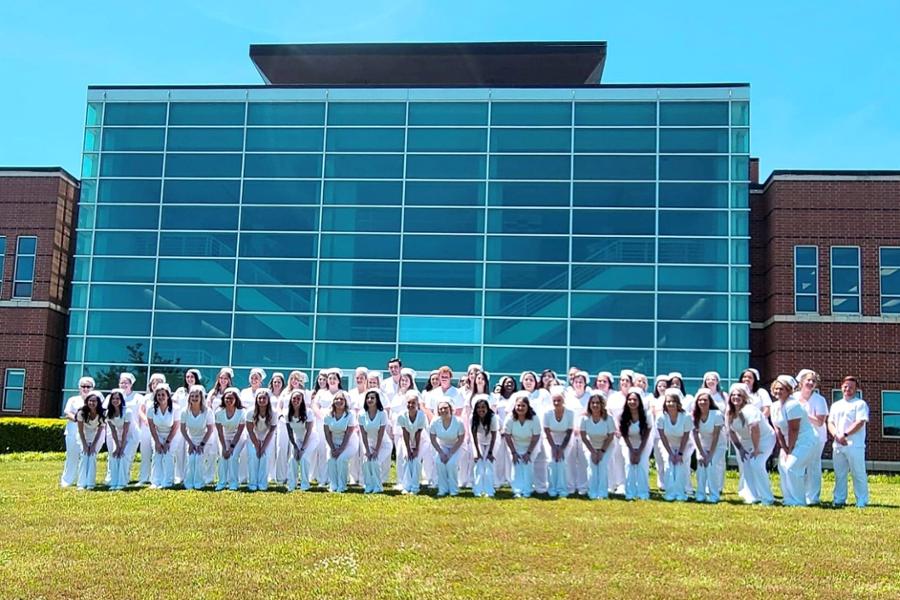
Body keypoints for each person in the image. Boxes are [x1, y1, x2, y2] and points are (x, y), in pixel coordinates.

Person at [770, 375, 819, 506]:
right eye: (776, 388)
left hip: (806, 441)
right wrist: (784, 448)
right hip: (788, 442)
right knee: (783, 467)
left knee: (792, 467)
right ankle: (788, 499)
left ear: (789, 390)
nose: (778, 391)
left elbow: (794, 429)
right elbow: (777, 430)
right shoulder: (774, 406)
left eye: (782, 389)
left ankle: (798, 501)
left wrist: (790, 449)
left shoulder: (792, 405)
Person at [726, 383, 775, 505]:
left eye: (739, 395)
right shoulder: (729, 413)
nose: (736, 397)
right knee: (747, 466)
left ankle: (767, 498)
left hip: (764, 439)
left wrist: (756, 449)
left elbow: (755, 430)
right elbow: (731, 432)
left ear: (744, 397)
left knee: (757, 464)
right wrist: (740, 449)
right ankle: (753, 496)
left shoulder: (750, 410)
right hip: (746, 441)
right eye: (733, 395)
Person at [828, 376, 869, 508]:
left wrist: (845, 434)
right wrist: (836, 435)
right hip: (838, 445)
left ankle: (861, 500)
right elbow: (830, 422)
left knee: (858, 473)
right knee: (840, 473)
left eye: (851, 387)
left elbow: (860, 422)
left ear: (856, 389)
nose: (848, 389)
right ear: (841, 387)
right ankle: (839, 499)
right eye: (845, 386)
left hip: (854, 445)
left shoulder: (860, 404)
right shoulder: (836, 405)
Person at [793, 369, 829, 505]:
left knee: (813, 466)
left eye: (813, 381)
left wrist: (803, 413)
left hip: (817, 438)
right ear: (801, 382)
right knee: (798, 465)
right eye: (808, 380)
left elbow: (820, 421)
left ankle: (813, 497)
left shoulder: (819, 400)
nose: (810, 383)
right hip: (798, 436)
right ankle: (798, 495)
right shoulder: (794, 398)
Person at [503, 392, 544, 498]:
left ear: (528, 406)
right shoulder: (510, 418)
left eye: (523, 406)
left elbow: (536, 436)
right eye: (518, 405)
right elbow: (507, 435)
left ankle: (527, 490)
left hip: (531, 445)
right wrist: (513, 452)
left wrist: (529, 452)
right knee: (516, 465)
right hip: (515, 445)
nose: (520, 408)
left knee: (527, 465)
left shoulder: (534, 418)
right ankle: (517, 490)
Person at [656, 388, 692, 502]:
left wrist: (680, 453)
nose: (670, 404)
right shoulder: (661, 417)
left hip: (684, 444)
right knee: (669, 465)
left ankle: (681, 492)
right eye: (668, 402)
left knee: (681, 466)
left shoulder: (686, 416)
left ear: (678, 403)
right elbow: (662, 436)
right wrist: (671, 453)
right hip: (667, 444)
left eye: (673, 401)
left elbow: (686, 435)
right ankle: (670, 493)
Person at [579, 392, 615, 500]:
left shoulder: (608, 418)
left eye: (598, 403)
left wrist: (602, 451)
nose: (595, 405)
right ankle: (592, 491)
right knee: (592, 466)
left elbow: (610, 436)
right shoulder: (584, 419)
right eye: (593, 403)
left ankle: (602, 492)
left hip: (606, 445)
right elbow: (583, 436)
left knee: (602, 466)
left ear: (602, 404)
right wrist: (593, 452)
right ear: (589, 404)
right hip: (590, 445)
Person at [691, 388, 725, 503]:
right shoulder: (694, 415)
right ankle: (700, 494)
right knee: (701, 467)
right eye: (700, 400)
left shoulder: (717, 414)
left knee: (711, 466)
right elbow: (695, 435)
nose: (702, 402)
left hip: (718, 445)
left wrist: (710, 455)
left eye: (705, 400)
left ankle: (714, 495)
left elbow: (716, 436)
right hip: (702, 445)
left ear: (710, 401)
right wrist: (701, 452)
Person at [619, 388, 652, 501]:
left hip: (643, 443)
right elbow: (624, 435)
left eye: (635, 399)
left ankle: (643, 493)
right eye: (630, 399)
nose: (632, 402)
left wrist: (639, 451)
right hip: (628, 443)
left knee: (642, 465)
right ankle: (630, 493)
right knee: (629, 465)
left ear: (639, 401)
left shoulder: (647, 415)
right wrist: (632, 450)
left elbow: (647, 433)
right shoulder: (622, 415)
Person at [61, 376, 94, 487]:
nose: (85, 388)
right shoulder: (73, 399)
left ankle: (84, 480)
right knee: (71, 456)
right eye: (83, 386)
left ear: (92, 388)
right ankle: (67, 481)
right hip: (72, 431)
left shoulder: (95, 400)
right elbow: (67, 413)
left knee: (86, 457)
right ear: (79, 388)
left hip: (88, 433)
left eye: (88, 386)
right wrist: (78, 419)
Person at [180, 384, 215, 490]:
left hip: (205, 439)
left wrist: (202, 444)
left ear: (201, 398)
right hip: (191, 439)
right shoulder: (184, 411)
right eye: (192, 396)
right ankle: (189, 482)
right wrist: (190, 443)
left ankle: (199, 482)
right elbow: (182, 429)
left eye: (197, 397)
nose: (194, 399)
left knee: (199, 459)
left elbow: (210, 429)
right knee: (191, 459)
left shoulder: (207, 412)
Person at [284, 389, 319, 492]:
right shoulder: (287, 414)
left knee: (304, 459)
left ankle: (305, 484)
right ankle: (292, 484)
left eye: (298, 398)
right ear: (291, 400)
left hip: (311, 439)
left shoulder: (308, 412)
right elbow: (290, 433)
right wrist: (295, 447)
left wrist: (303, 448)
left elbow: (309, 431)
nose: (296, 400)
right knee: (293, 459)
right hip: (297, 440)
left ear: (302, 400)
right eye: (294, 398)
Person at [323, 391, 358, 493]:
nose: (339, 401)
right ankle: (333, 485)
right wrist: (333, 448)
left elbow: (348, 434)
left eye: (341, 399)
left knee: (341, 459)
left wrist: (341, 449)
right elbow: (327, 433)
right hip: (333, 443)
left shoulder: (350, 415)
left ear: (346, 402)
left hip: (349, 443)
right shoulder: (328, 415)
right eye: (336, 399)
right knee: (331, 460)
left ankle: (342, 486)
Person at [543, 387, 575, 498]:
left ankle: (562, 488)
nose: (556, 403)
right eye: (554, 401)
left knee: (561, 462)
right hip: (550, 439)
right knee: (552, 462)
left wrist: (561, 448)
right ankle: (552, 488)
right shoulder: (547, 412)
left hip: (565, 440)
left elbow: (569, 431)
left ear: (563, 400)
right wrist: (553, 447)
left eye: (559, 400)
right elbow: (546, 430)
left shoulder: (570, 413)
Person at [172, 368, 203, 484]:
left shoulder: (200, 390)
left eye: (192, 377)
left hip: (194, 424)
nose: (189, 379)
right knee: (179, 450)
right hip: (181, 422)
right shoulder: (181, 391)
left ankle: (190, 475)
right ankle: (179, 476)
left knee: (190, 451)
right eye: (187, 377)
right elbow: (173, 402)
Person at [358, 388, 392, 494]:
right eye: (368, 398)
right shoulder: (361, 414)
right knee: (366, 462)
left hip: (384, 445)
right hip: (369, 444)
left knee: (375, 462)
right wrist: (367, 450)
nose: (369, 399)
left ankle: (378, 486)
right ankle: (368, 486)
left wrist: (376, 450)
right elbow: (363, 434)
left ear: (377, 400)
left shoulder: (382, 414)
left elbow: (381, 433)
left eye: (372, 398)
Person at [429, 400, 465, 497]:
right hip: (443, 446)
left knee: (451, 464)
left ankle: (454, 490)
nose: (443, 410)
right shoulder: (435, 422)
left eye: (446, 408)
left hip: (458, 446)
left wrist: (450, 454)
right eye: (441, 408)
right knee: (439, 462)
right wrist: (440, 453)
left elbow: (461, 439)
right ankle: (442, 489)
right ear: (438, 411)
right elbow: (433, 439)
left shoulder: (458, 422)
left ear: (450, 409)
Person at [605, 370, 633, 494]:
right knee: (614, 458)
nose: (624, 383)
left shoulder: (634, 396)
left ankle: (624, 484)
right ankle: (613, 483)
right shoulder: (614, 397)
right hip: (615, 432)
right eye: (622, 380)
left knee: (626, 459)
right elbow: (610, 413)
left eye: (627, 380)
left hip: (631, 433)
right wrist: (617, 428)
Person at [148, 383, 180, 489]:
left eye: (163, 395)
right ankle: (156, 481)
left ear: (168, 396)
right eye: (158, 395)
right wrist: (157, 442)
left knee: (168, 455)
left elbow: (175, 426)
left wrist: (167, 442)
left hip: (172, 435)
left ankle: (168, 481)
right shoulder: (151, 409)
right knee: (157, 455)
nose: (161, 397)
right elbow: (152, 426)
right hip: (157, 434)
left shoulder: (176, 408)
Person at [396, 391, 428, 494]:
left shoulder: (422, 416)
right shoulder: (401, 415)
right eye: (409, 402)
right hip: (407, 440)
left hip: (422, 441)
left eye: (413, 403)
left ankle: (415, 486)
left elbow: (419, 433)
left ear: (417, 404)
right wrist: (408, 449)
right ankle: (406, 486)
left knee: (416, 460)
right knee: (406, 458)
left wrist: (416, 449)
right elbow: (405, 432)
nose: (411, 405)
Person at [245, 388, 277, 492]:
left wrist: (263, 447)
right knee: (253, 457)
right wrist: (257, 445)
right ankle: (252, 483)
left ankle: (263, 483)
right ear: (256, 399)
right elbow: (250, 431)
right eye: (260, 398)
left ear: (268, 400)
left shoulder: (273, 413)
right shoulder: (250, 412)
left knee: (265, 457)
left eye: (264, 398)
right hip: (253, 436)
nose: (262, 400)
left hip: (267, 437)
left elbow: (271, 431)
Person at [105, 388, 136, 490]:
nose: (115, 400)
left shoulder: (128, 412)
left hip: (131, 436)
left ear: (121, 400)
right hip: (118, 437)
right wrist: (117, 447)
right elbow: (113, 431)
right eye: (113, 398)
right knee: (114, 456)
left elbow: (126, 431)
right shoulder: (108, 413)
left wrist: (121, 448)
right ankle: (114, 482)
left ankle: (122, 483)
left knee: (123, 456)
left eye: (118, 398)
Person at [214, 387, 245, 491]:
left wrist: (231, 447)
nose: (229, 400)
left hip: (238, 437)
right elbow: (219, 431)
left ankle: (233, 483)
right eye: (227, 398)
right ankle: (221, 482)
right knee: (223, 457)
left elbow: (240, 432)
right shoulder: (218, 412)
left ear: (236, 400)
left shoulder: (241, 413)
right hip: (224, 437)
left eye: (231, 398)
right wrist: (224, 447)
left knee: (233, 456)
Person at [138, 373, 166, 485]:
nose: (156, 384)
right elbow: (141, 410)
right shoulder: (146, 397)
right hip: (146, 428)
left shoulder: (166, 397)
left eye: (159, 382)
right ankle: (144, 477)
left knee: (159, 453)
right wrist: (145, 419)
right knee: (145, 453)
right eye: (154, 382)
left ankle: (160, 477)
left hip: (160, 429)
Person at [75, 390, 105, 490]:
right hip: (83, 435)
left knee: (92, 456)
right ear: (87, 401)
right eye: (90, 401)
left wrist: (93, 446)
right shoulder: (81, 412)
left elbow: (100, 430)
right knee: (84, 456)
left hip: (97, 436)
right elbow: (80, 430)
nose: (92, 403)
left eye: (94, 401)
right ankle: (81, 484)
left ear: (98, 402)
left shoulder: (102, 413)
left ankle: (90, 483)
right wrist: (84, 444)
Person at [471, 395, 499, 498]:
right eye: (478, 407)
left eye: (483, 407)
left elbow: (494, 435)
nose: (481, 410)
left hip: (493, 442)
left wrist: (491, 452)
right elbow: (473, 435)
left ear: (487, 408)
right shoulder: (472, 417)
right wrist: (477, 452)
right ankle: (477, 491)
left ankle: (489, 491)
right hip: (480, 441)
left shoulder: (493, 418)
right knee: (478, 463)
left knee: (488, 464)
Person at [649, 375, 670, 491]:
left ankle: (668, 482)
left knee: (666, 458)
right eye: (659, 386)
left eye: (664, 386)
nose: (661, 388)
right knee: (658, 460)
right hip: (656, 434)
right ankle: (661, 483)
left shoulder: (669, 399)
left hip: (667, 434)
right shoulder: (653, 400)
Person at [268, 372, 288, 484]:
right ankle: (271, 474)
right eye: (275, 382)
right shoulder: (268, 393)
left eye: (279, 382)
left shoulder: (285, 394)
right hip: (269, 424)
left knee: (281, 450)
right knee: (271, 450)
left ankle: (283, 474)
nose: (277, 384)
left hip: (281, 423)